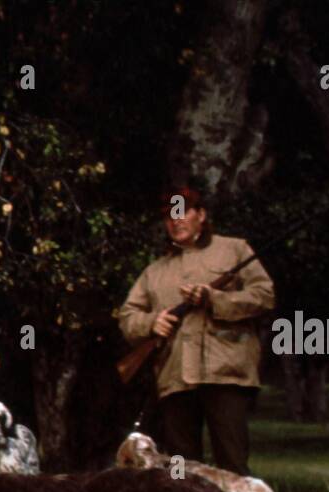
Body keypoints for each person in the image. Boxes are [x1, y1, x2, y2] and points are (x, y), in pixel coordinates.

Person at [116, 185, 275, 475]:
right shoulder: (155, 271)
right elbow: (127, 317)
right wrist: (152, 322)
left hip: (226, 373)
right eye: (169, 216)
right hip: (175, 377)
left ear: (201, 215)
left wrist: (214, 299)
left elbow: (264, 296)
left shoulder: (235, 250)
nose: (176, 220)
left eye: (182, 211)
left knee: (233, 464)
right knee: (179, 469)